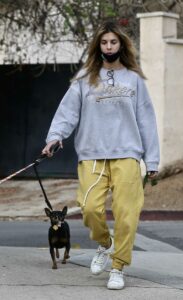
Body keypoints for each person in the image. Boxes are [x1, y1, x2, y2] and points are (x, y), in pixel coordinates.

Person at [42, 21, 159, 290]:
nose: (108, 47)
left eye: (113, 42)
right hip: (92, 153)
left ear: (121, 45)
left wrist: (151, 160)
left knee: (127, 214)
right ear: (99, 46)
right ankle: (105, 244)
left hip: (127, 153)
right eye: (104, 42)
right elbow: (68, 111)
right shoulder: (85, 77)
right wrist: (54, 138)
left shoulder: (134, 79)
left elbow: (147, 120)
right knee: (90, 208)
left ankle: (117, 267)